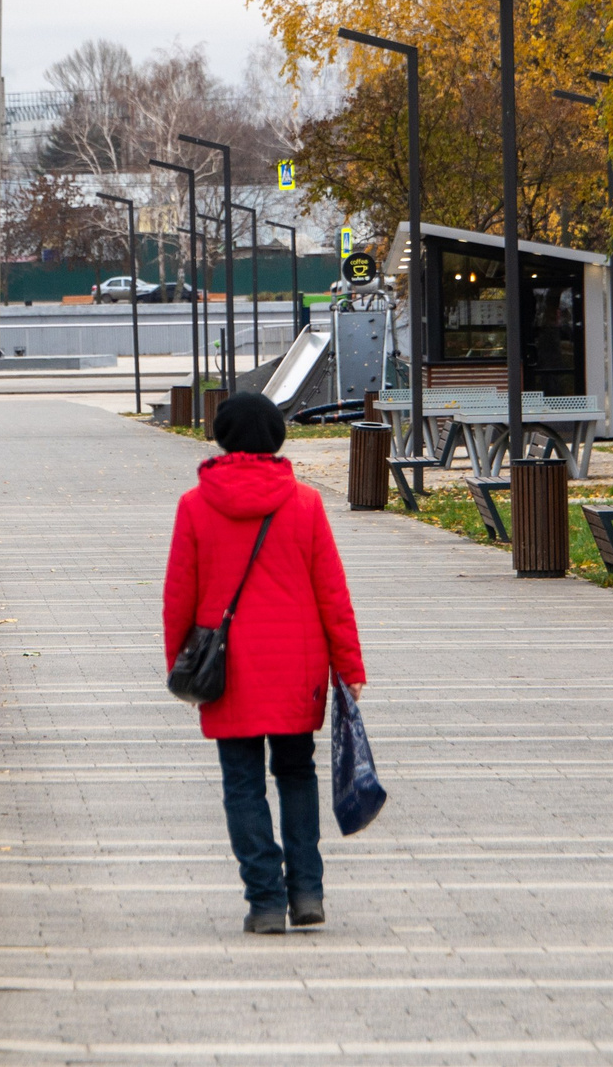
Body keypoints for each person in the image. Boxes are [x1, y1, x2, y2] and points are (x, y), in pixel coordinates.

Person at [163, 390, 365, 934]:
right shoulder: (305, 503)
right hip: (297, 668)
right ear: (277, 437)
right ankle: (307, 893)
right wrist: (349, 667)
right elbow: (332, 592)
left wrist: (182, 669)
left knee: (242, 783)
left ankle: (266, 901)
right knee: (297, 773)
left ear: (222, 438)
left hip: (228, 671)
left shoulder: (195, 506)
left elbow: (178, 597)